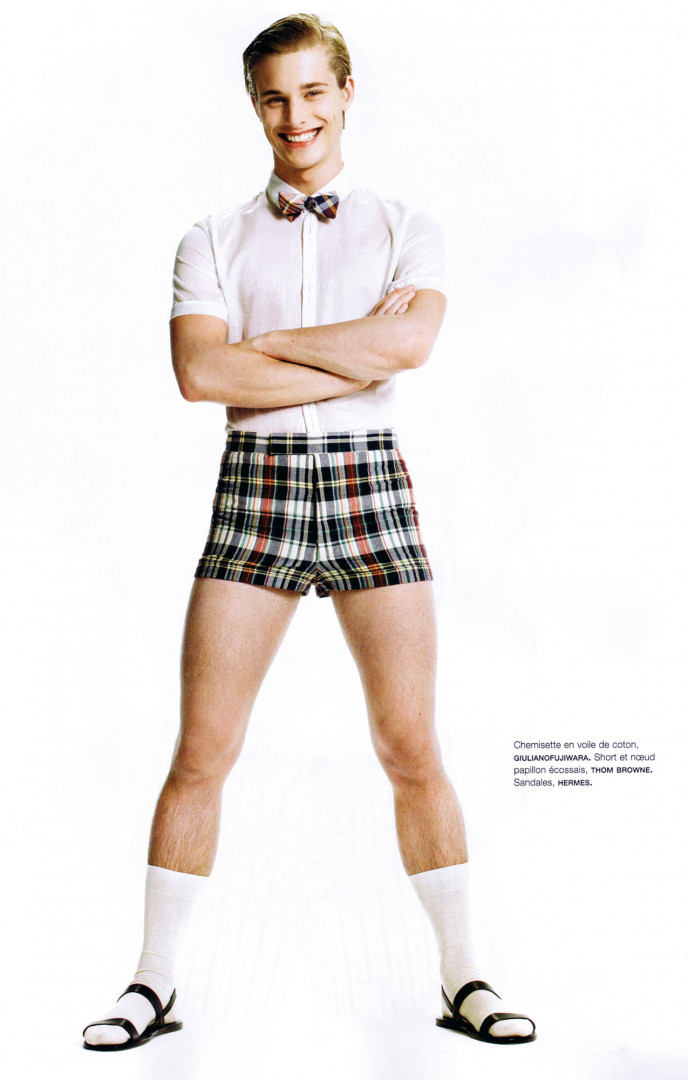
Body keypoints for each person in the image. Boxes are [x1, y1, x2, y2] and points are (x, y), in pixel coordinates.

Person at [82, 13, 536, 1051]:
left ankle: (464, 976)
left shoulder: (406, 226)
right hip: (258, 485)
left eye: (314, 93)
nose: (297, 116)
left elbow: (408, 347)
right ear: (255, 105)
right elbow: (202, 372)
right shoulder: (210, 238)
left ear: (345, 93)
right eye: (275, 97)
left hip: (372, 482)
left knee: (409, 744)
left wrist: (274, 346)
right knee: (204, 747)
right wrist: (348, 348)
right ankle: (154, 982)